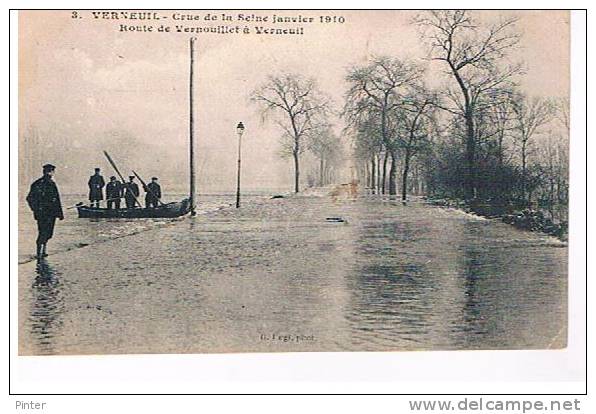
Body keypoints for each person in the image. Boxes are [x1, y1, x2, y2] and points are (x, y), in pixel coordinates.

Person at [26, 164, 64, 259]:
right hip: (42, 213)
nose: (50, 173)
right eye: (48, 171)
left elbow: (57, 199)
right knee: (42, 232)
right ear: (44, 172)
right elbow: (30, 198)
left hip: (51, 213)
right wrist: (36, 209)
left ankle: (44, 251)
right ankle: (39, 253)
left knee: (49, 233)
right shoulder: (38, 184)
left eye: (51, 171)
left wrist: (60, 213)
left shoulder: (52, 184)